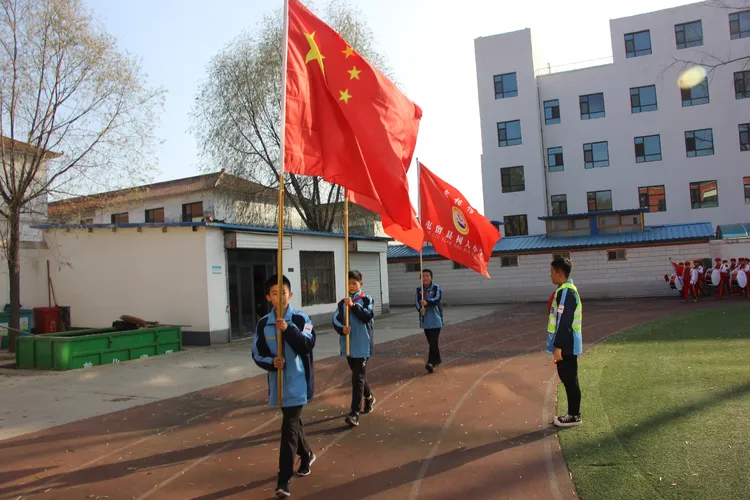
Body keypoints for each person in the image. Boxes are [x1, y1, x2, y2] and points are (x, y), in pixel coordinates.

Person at [252, 275, 316, 499]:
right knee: (294, 423)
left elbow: (307, 345)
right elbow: (257, 353)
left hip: (298, 383)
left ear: (291, 294)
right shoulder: (263, 324)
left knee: (288, 428)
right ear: (269, 297)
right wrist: (272, 362)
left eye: (284, 292)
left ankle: (283, 480)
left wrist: (288, 329)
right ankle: (306, 453)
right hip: (278, 383)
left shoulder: (302, 319)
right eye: (275, 293)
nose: (280, 296)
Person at [333, 270, 376, 427]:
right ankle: (369, 396)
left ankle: (354, 413)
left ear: (360, 284)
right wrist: (341, 328)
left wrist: (354, 306)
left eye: (354, 283)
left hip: (363, 345)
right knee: (358, 376)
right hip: (349, 345)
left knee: (357, 378)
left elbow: (367, 316)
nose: (351, 286)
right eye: (348, 283)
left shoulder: (366, 299)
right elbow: (335, 320)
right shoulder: (342, 303)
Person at [546, 257, 583, 428]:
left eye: (552, 272)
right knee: (568, 378)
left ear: (560, 273)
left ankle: (574, 415)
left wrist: (558, 346)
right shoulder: (564, 290)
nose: (550, 275)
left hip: (566, 344)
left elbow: (565, 321)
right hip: (566, 343)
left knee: (569, 378)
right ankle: (572, 413)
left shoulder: (567, 292)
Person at [416, 269, 443, 373]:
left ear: (431, 277)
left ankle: (430, 362)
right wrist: (420, 308)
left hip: (436, 319)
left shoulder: (436, 288)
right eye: (423, 276)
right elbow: (416, 302)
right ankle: (438, 359)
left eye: (427, 276)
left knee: (433, 341)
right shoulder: (419, 290)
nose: (425, 278)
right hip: (425, 320)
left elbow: (437, 299)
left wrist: (427, 302)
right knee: (431, 342)